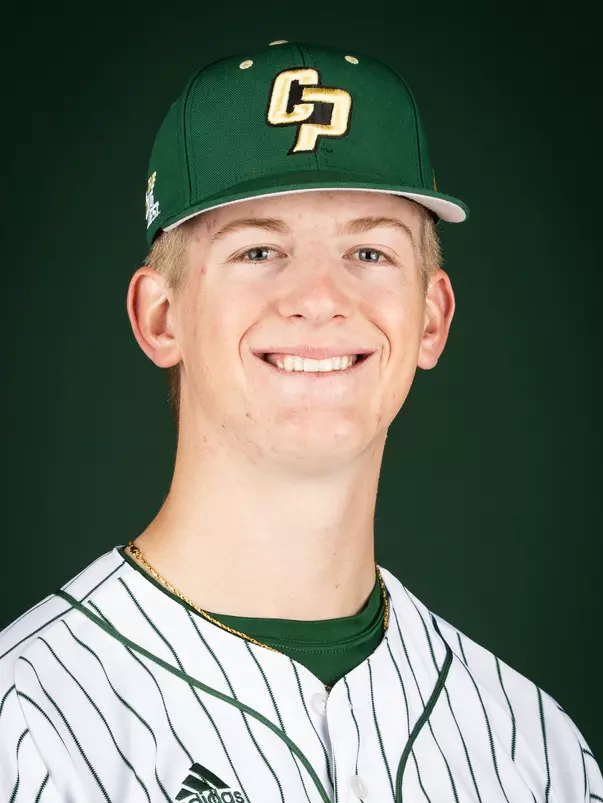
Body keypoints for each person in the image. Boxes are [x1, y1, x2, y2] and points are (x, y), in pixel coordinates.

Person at [0, 41, 600, 803]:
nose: (319, 296)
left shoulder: (534, 747)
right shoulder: (24, 728)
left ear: (431, 318)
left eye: (368, 250)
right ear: (160, 317)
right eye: (258, 248)